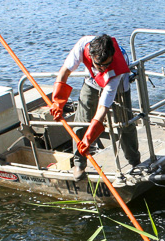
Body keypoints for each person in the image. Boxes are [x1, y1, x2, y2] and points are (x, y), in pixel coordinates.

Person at [50, 34, 140, 181]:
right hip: (92, 81)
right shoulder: (83, 45)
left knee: (125, 122)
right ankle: (79, 163)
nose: (103, 68)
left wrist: (89, 139)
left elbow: (102, 109)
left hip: (117, 84)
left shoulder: (117, 66)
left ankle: (134, 161)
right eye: (100, 65)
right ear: (91, 56)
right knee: (82, 119)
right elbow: (64, 73)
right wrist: (57, 102)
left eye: (107, 64)